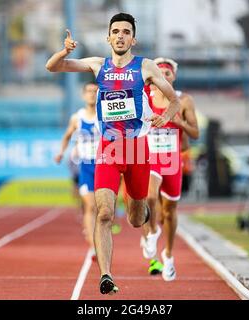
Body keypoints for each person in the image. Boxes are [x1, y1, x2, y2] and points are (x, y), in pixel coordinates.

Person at [46, 12, 181, 295]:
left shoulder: (145, 67)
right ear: (108, 37)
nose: (120, 36)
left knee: (134, 219)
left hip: (137, 149)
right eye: (115, 31)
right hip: (108, 149)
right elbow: (52, 67)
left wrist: (164, 116)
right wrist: (65, 51)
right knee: (104, 212)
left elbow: (173, 99)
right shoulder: (97, 65)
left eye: (126, 31)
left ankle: (143, 213)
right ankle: (106, 275)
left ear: (133, 38)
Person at [140, 57, 199, 281]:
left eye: (168, 72)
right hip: (150, 157)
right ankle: (153, 231)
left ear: (173, 76)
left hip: (172, 161)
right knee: (149, 197)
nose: (163, 75)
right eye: (160, 71)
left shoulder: (183, 100)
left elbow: (195, 134)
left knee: (170, 212)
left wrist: (179, 123)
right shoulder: (145, 96)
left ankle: (169, 254)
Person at [54, 82, 100, 257]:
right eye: (88, 91)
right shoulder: (77, 118)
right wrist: (60, 152)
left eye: (95, 92)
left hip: (104, 165)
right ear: (83, 95)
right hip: (86, 167)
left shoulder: (105, 116)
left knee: (103, 209)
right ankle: (93, 246)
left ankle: (98, 236)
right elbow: (66, 137)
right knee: (90, 206)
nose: (92, 95)